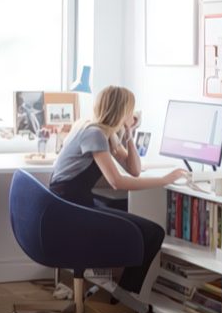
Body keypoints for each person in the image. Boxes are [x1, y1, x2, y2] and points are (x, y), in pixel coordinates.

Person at [49, 85, 187, 294]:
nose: (133, 114)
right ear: (122, 112)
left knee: (131, 215)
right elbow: (117, 182)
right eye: (130, 111)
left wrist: (129, 132)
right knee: (153, 232)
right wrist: (164, 179)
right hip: (71, 209)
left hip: (73, 203)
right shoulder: (94, 134)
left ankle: (123, 287)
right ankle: (128, 293)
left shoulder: (101, 131)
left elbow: (134, 170)